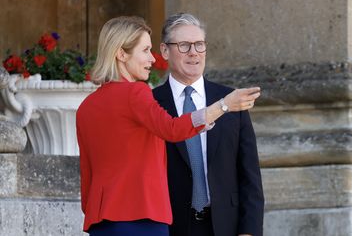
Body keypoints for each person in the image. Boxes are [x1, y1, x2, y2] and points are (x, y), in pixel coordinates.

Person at [76, 16, 260, 236]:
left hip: (102, 221)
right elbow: (172, 129)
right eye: (145, 50)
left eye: (200, 45)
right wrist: (223, 106)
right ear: (121, 53)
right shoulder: (139, 95)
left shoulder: (86, 106)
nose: (151, 59)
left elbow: (87, 173)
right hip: (145, 217)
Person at [153, 13, 264, 236]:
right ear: (165, 51)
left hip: (226, 225)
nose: (194, 52)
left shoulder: (231, 99)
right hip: (171, 227)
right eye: (184, 45)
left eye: (199, 45)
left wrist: (249, 231)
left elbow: (249, 174)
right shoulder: (151, 103)